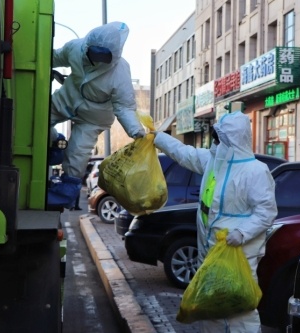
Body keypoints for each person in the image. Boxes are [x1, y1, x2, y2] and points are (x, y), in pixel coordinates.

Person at [153, 111, 277, 332]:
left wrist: (242, 233)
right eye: (216, 137)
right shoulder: (213, 162)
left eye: (221, 138)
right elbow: (183, 153)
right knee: (211, 305)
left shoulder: (256, 171)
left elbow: (266, 211)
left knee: (240, 307)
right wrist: (157, 137)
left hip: (238, 253)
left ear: (235, 139)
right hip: (210, 251)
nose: (216, 142)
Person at [48, 22, 145, 209]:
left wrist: (136, 132)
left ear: (114, 56)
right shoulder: (75, 48)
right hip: (67, 99)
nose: (99, 60)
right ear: (87, 46)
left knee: (78, 151)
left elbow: (124, 107)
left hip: (93, 118)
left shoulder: (120, 72)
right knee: (38, 123)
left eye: (104, 57)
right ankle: (55, 144)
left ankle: (64, 194)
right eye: (95, 55)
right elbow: (54, 57)